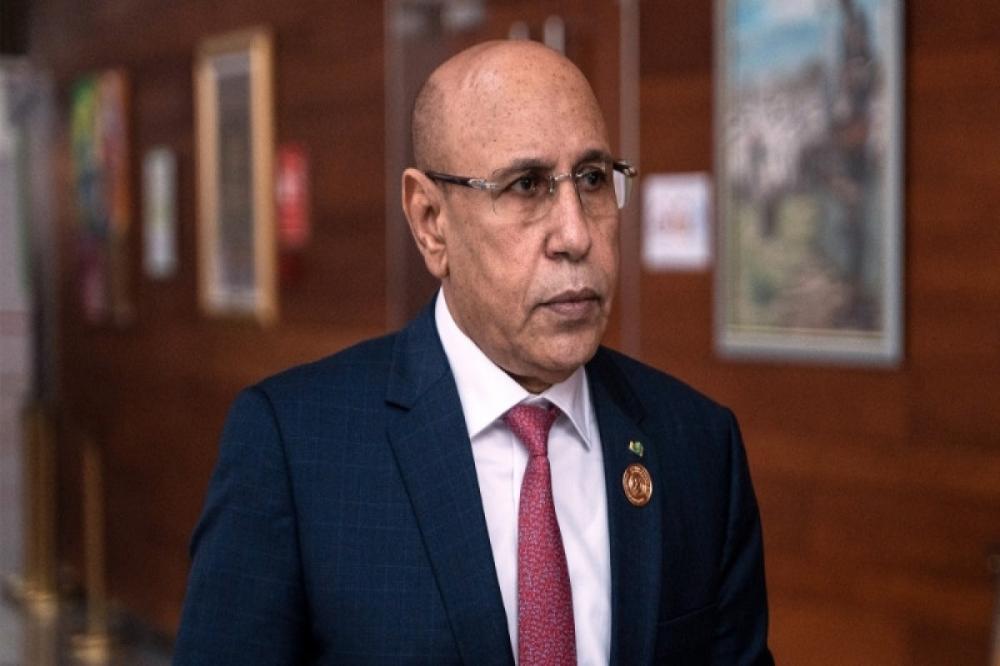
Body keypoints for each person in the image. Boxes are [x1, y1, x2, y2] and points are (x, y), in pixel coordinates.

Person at [174, 40, 773, 665]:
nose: (576, 235)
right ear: (430, 222)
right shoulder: (295, 449)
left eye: (593, 179)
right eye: (527, 185)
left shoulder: (698, 446)